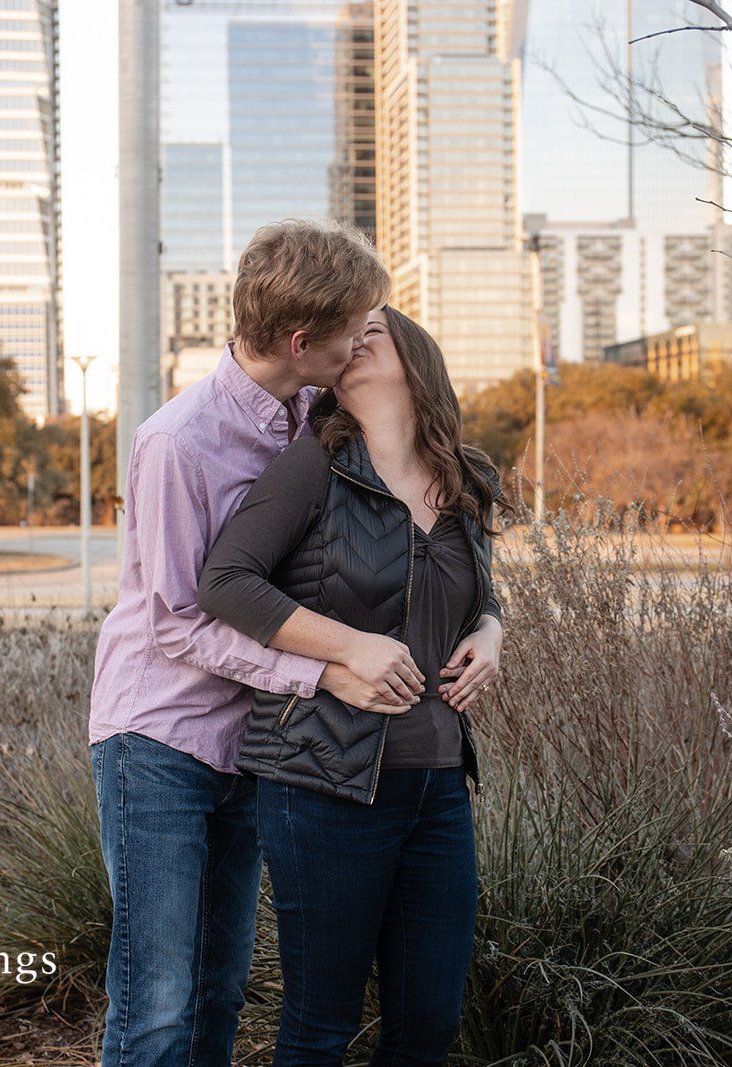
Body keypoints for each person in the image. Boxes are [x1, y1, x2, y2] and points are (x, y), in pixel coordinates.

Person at [88, 220, 427, 1067]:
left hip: (250, 741)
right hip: (157, 736)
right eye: (354, 328)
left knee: (221, 986)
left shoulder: (316, 417)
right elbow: (175, 619)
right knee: (157, 998)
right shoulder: (178, 440)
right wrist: (323, 669)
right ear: (302, 340)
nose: (363, 342)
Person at [197, 305, 507, 1065]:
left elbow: (473, 590)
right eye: (351, 332)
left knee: (428, 1024)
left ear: (417, 357)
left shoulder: (466, 476)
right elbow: (226, 582)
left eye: (377, 328)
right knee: (319, 1026)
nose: (359, 335)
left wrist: (493, 631)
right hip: (322, 783)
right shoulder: (315, 465)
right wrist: (349, 648)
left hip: (437, 784)